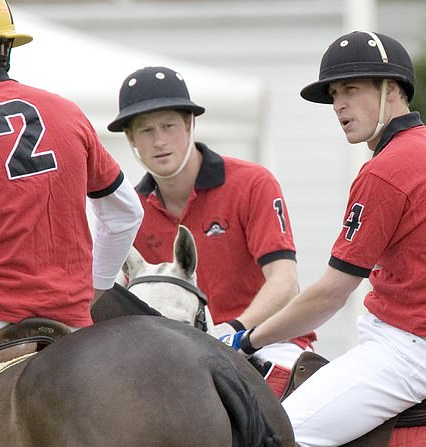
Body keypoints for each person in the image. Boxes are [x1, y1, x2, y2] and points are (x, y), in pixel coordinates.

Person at [224, 31, 426, 447]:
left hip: (406, 353)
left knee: (269, 438)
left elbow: (330, 295)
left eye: (352, 89)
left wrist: (247, 339)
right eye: (334, 95)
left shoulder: (386, 169)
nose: (340, 106)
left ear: (394, 89)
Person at [0, 0, 143, 386]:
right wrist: (94, 287)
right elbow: (126, 212)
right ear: (3, 48)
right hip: (71, 314)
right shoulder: (67, 111)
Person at [107, 66, 316, 397]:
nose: (159, 141)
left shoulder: (251, 183)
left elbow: (285, 282)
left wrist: (234, 330)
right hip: (176, 357)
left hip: (265, 343)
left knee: (287, 435)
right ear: (131, 139)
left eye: (168, 126)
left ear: (190, 124)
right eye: (145, 131)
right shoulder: (129, 211)